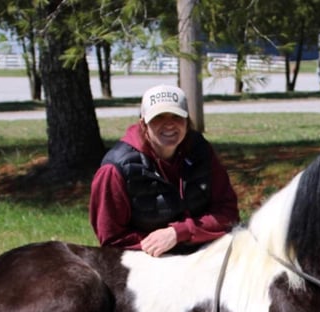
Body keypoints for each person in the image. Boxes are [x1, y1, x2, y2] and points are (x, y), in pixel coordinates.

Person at [89, 84, 239, 257]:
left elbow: (228, 214)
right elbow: (111, 239)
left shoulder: (201, 150)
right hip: (145, 263)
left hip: (204, 254)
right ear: (143, 123)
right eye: (158, 117)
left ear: (187, 121)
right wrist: (161, 246)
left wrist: (179, 233)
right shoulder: (115, 169)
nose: (169, 124)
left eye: (176, 116)